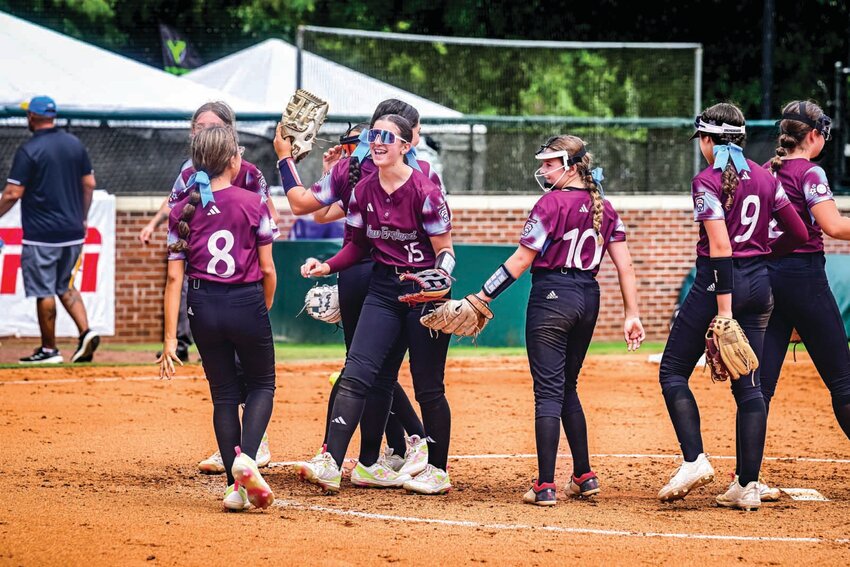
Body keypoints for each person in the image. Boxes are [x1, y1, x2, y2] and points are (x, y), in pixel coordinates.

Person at [458, 135, 644, 505]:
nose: (542, 170)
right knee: (567, 387)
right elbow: (625, 266)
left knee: (547, 391)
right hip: (588, 298)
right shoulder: (604, 206)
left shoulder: (549, 203)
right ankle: (584, 475)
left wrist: (482, 295)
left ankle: (544, 485)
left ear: (571, 167)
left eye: (549, 164)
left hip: (551, 297)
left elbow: (520, 261)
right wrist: (632, 314)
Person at [292, 114, 456, 494]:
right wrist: (327, 265)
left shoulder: (426, 192)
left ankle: (438, 470)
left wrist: (440, 281)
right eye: (373, 135)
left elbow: (445, 251)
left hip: (424, 293)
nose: (378, 141)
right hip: (384, 289)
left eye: (387, 136)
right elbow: (358, 246)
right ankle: (330, 462)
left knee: (428, 385)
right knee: (358, 370)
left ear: (405, 146)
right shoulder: (363, 189)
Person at [656, 103, 807, 511]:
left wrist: (723, 310)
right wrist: (761, 258)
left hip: (717, 284)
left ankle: (694, 460)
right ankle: (747, 485)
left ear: (708, 139)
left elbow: (721, 247)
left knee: (672, 372)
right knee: (749, 385)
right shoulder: (765, 176)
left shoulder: (706, 180)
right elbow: (797, 231)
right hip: (759, 286)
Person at [138, 102, 275, 475]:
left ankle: (237, 475)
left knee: (224, 393)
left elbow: (173, 278)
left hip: (202, 303)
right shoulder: (250, 200)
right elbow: (267, 267)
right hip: (244, 296)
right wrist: (261, 306)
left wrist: (169, 339)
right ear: (231, 157)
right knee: (262, 382)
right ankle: (248, 455)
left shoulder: (187, 204)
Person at [138, 101, 280, 363]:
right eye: (199, 127)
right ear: (192, 133)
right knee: (182, 281)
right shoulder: (189, 174)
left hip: (242, 266)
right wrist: (153, 224)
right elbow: (173, 206)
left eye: (212, 127)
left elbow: (270, 219)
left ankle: (232, 346)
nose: (204, 132)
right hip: (204, 265)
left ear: (229, 133)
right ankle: (185, 341)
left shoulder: (249, 173)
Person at [759, 100, 850, 453]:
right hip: (804, 277)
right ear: (813, 135)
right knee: (843, 382)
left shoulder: (766, 169)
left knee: (760, 388)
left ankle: (745, 476)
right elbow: (833, 226)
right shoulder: (809, 172)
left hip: (766, 278)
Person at [0, 95, 100, 364]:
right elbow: (89, 183)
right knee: (65, 285)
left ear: (32, 117)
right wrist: (82, 215)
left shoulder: (29, 150)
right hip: (73, 232)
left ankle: (49, 349)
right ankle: (86, 333)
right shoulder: (74, 144)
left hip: (41, 235)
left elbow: (12, 193)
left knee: (44, 290)